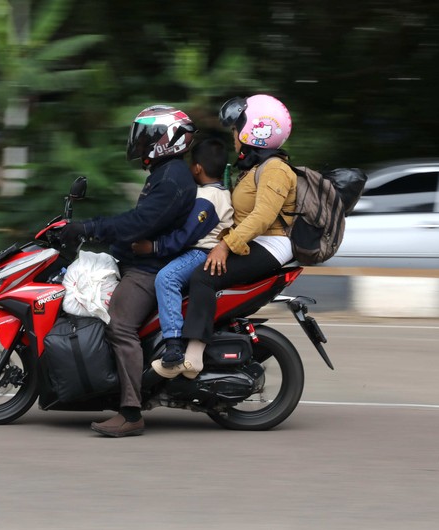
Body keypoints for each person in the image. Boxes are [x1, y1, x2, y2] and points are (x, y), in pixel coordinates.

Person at [58, 105, 197, 437]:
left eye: (148, 135)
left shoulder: (172, 178)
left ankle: (131, 411)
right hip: (139, 262)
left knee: (120, 325)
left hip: (149, 270)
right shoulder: (164, 174)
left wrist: (92, 227)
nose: (140, 141)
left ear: (168, 139)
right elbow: (139, 222)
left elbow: (140, 223)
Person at [158, 94, 298, 379]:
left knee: (203, 276)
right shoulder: (257, 168)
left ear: (255, 131)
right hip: (257, 241)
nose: (234, 135)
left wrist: (224, 246)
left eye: (237, 128)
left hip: (271, 244)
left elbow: (262, 217)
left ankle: (192, 357)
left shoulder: (276, 170)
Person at [129, 138, 234, 376]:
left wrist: (153, 247)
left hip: (202, 252)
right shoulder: (212, 192)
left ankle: (173, 345)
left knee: (167, 278)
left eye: (190, 165)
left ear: (197, 168)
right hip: (197, 249)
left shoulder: (209, 198)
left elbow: (185, 236)